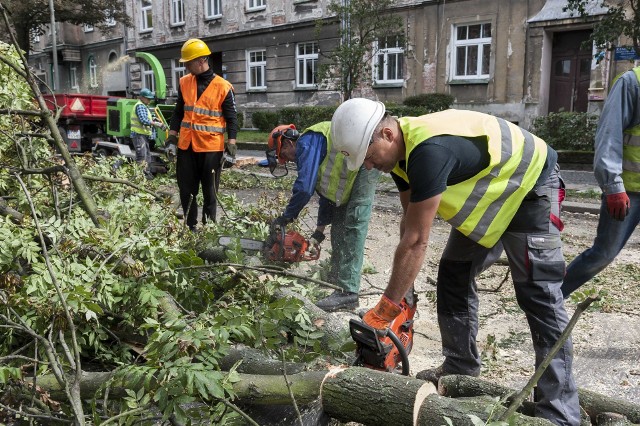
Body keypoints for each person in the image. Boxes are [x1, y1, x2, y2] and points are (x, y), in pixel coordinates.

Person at [330, 98, 580, 426]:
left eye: (369, 157)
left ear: (387, 135)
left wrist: (387, 308)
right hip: (495, 194)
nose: (368, 166)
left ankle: (560, 411)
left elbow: (419, 241)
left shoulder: (428, 152)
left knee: (539, 295)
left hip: (531, 184)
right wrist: (402, 294)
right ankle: (461, 370)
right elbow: (410, 225)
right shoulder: (400, 156)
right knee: (453, 275)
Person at [266, 122, 380, 311]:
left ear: (287, 143)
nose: (288, 160)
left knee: (354, 223)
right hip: (350, 173)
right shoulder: (313, 148)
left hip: (365, 160)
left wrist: (286, 217)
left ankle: (349, 292)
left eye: (284, 155)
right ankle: (336, 279)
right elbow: (329, 194)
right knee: (338, 229)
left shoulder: (307, 142)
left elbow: (304, 188)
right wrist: (318, 233)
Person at [562, 67, 640, 298]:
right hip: (628, 192)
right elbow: (609, 134)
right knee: (603, 254)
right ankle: (550, 299)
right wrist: (613, 186)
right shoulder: (632, 82)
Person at [166, 38, 238, 229]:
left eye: (189, 63)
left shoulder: (223, 87)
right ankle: (190, 227)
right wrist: (172, 138)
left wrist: (231, 148)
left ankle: (209, 229)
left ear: (201, 61)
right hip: (186, 146)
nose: (187, 67)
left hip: (210, 149)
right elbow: (178, 113)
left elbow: (232, 119)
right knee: (186, 190)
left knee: (210, 193)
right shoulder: (184, 83)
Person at [130, 88, 164, 179]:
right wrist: (157, 124)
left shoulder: (144, 106)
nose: (149, 100)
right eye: (148, 98)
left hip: (142, 135)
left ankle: (146, 175)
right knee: (142, 156)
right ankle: (140, 177)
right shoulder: (140, 106)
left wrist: (153, 119)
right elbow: (144, 120)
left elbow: (147, 117)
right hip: (139, 135)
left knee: (147, 156)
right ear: (142, 97)